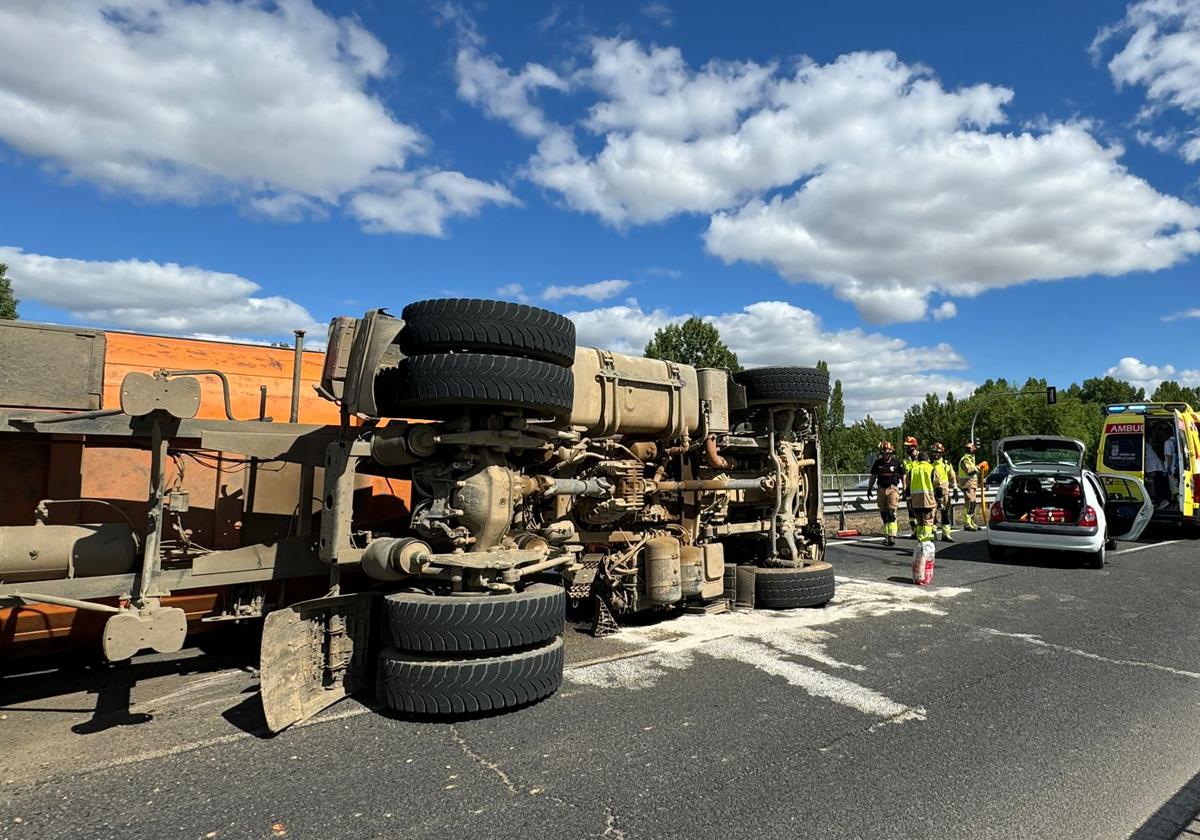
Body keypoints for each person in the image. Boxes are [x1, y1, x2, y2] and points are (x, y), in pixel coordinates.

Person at [867, 441, 903, 546]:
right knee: (884, 513)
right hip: (881, 489)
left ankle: (892, 535)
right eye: (884, 453)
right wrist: (869, 488)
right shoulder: (878, 463)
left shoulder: (897, 463)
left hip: (892, 488)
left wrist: (905, 488)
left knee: (891, 512)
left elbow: (903, 476)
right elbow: (873, 476)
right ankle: (887, 535)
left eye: (887, 453)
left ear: (891, 453)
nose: (885, 455)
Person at [905, 449, 937, 543]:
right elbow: (937, 484)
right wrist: (939, 498)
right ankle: (925, 542)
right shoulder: (931, 469)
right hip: (928, 500)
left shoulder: (912, 470)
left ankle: (920, 541)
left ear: (918, 460)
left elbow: (908, 486)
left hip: (915, 501)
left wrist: (908, 499)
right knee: (927, 521)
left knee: (919, 522)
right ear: (927, 459)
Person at [931, 443, 957, 542]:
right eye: (934, 452)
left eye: (938, 452)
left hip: (945, 492)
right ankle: (933, 533)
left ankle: (946, 534)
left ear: (942, 453)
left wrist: (955, 488)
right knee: (933, 514)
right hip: (933, 492)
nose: (936, 455)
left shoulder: (946, 464)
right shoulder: (929, 464)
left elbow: (952, 477)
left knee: (945, 513)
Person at [957, 441, 981, 531]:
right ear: (969, 449)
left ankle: (971, 521)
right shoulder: (965, 459)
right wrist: (979, 467)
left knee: (973, 503)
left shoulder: (971, 458)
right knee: (970, 503)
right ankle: (967, 523)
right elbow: (969, 471)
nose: (974, 449)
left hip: (972, 484)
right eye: (972, 448)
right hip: (967, 484)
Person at [1145, 425, 1170, 509]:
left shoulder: (1146, 445)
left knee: (1157, 484)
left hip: (1154, 467)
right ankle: (1161, 500)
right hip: (1157, 467)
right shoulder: (1149, 445)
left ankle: (1162, 500)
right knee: (1158, 483)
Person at [902, 436, 920, 539]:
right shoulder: (906, 461)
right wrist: (905, 490)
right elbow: (904, 476)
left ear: (915, 447)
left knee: (920, 511)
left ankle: (925, 530)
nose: (908, 449)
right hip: (910, 489)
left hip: (920, 489)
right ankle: (914, 531)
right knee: (911, 511)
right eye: (906, 447)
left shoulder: (922, 458)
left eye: (909, 447)